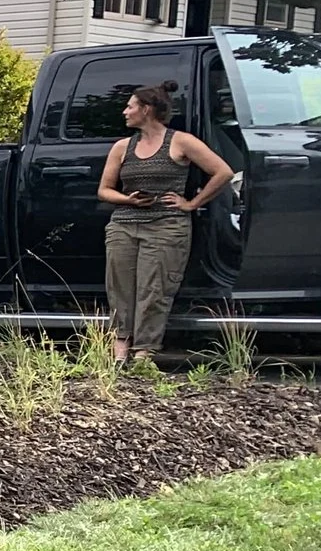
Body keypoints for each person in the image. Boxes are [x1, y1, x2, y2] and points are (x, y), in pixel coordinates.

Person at [95, 81, 233, 363]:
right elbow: (104, 190)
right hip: (124, 224)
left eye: (130, 107)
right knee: (120, 287)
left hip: (166, 225)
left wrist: (192, 203)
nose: (125, 112)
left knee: (154, 289)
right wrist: (129, 200)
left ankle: (144, 350)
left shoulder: (181, 141)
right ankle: (120, 344)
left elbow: (223, 172)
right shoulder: (122, 147)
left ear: (146, 109)